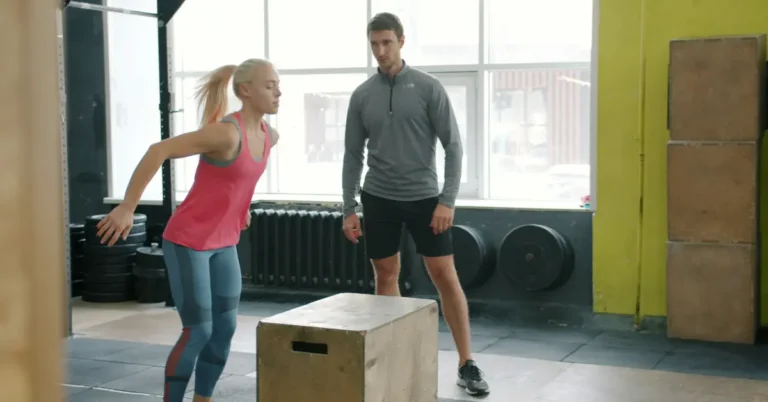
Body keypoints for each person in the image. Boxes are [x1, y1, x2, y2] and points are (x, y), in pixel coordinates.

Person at [95, 58, 281, 402]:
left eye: (278, 85)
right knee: (199, 330)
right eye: (270, 86)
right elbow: (159, 150)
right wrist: (127, 207)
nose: (278, 92)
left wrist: (241, 210)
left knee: (225, 329)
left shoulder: (270, 136)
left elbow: (237, 179)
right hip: (188, 240)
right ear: (245, 90)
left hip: (224, 243)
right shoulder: (226, 133)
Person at [341, 12, 490, 397]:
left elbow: (453, 146)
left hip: (425, 198)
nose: (380, 51)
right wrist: (348, 207)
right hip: (378, 197)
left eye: (387, 42)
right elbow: (353, 154)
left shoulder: (428, 88)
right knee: (385, 275)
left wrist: (447, 200)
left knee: (444, 275)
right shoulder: (362, 95)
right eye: (374, 44)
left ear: (401, 41)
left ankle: (467, 363)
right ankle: (393, 358)